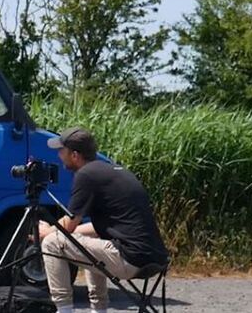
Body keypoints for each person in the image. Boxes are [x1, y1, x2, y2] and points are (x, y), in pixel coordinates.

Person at [38, 127, 169, 313]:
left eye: (62, 151)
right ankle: (99, 310)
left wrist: (47, 231)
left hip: (129, 260)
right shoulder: (114, 170)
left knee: (52, 242)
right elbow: (101, 226)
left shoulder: (86, 175)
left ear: (74, 155)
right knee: (89, 240)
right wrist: (65, 230)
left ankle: (64, 309)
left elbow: (70, 223)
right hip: (154, 258)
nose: (59, 156)